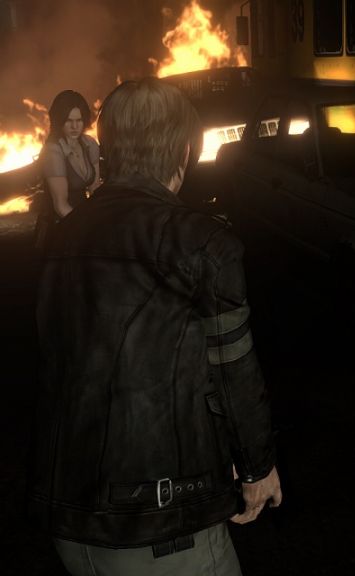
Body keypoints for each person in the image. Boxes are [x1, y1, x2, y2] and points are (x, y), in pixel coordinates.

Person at [28, 77, 281, 576]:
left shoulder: (63, 236)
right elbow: (233, 368)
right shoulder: (201, 241)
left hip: (69, 512)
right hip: (161, 525)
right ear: (183, 149)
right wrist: (257, 467)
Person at [40, 90, 101, 217]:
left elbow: (95, 189)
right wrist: (84, 225)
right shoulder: (53, 151)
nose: (74, 126)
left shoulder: (89, 144)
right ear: (59, 121)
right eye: (68, 121)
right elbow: (60, 206)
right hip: (61, 221)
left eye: (79, 120)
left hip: (84, 215)